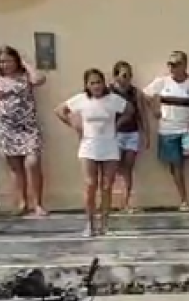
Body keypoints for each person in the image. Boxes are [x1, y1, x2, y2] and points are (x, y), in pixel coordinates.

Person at [54, 68, 133, 237]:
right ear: (87, 85)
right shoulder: (81, 99)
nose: (96, 86)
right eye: (92, 83)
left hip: (109, 145)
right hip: (88, 146)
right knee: (90, 185)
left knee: (106, 186)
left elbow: (129, 110)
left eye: (98, 82)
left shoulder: (112, 99)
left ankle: (105, 224)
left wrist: (117, 125)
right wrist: (74, 124)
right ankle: (89, 223)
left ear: (104, 83)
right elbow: (60, 110)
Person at [0, 45, 48, 216]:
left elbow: (39, 80)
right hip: (6, 128)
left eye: (8, 60)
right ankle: (22, 202)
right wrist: (3, 114)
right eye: (1, 61)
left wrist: (27, 65)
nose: (5, 64)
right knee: (15, 167)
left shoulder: (25, 76)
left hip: (28, 126)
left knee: (32, 163)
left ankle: (38, 203)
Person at [145, 51, 189, 212]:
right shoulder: (162, 82)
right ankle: (184, 200)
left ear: (184, 65)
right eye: (169, 64)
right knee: (177, 164)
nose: (171, 67)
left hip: (186, 130)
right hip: (168, 130)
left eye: (175, 64)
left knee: (184, 160)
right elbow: (144, 94)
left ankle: (184, 198)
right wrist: (154, 109)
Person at [108, 61, 150, 212]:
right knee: (113, 167)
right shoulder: (109, 92)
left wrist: (146, 134)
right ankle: (111, 201)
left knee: (128, 167)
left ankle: (126, 202)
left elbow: (142, 114)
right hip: (115, 133)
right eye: (123, 75)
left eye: (129, 75)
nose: (127, 78)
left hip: (132, 132)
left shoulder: (135, 92)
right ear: (116, 76)